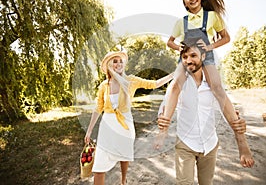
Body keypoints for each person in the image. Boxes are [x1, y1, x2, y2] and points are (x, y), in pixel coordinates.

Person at [155, 37, 254, 184]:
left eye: (193, 55)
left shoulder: (213, 84)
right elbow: (168, 103)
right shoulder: (178, 83)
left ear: (203, 56)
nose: (189, 60)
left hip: (209, 144)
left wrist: (239, 133)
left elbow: (225, 106)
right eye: (185, 57)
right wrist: (162, 129)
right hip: (185, 144)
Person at [84, 50, 174, 185]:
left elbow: (154, 84)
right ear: (109, 64)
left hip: (125, 125)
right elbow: (98, 108)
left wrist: (174, 74)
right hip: (107, 126)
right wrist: (89, 130)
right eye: (115, 61)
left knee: (124, 155)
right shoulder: (104, 86)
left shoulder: (130, 80)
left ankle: (123, 180)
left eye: (121, 61)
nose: (119, 64)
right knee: (99, 168)